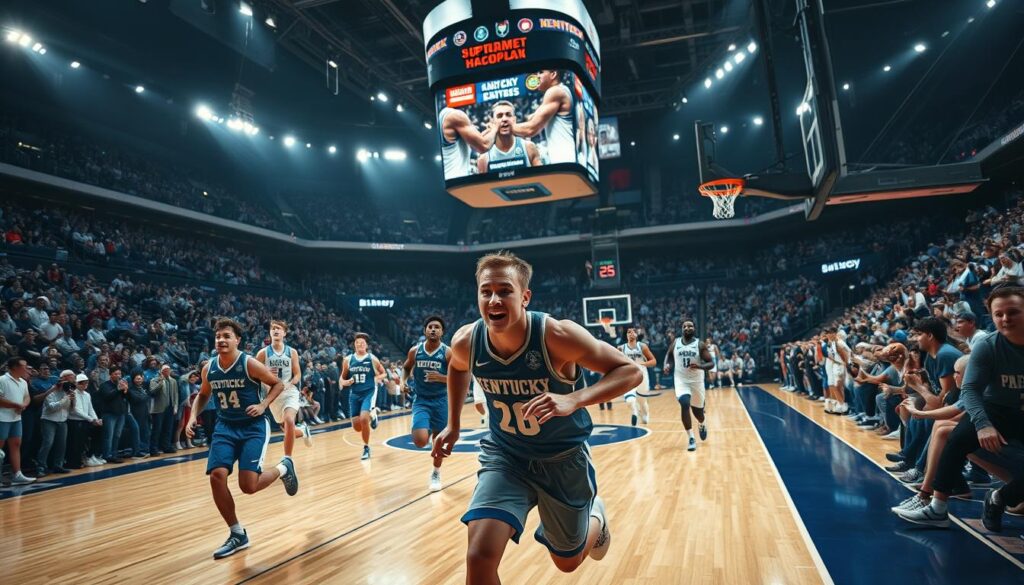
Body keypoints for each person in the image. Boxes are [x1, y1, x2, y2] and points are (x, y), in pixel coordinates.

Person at [433, 251, 641, 583]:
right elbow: (457, 367)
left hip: (562, 460)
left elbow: (630, 371)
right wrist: (453, 425)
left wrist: (573, 399)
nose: (494, 299)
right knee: (479, 556)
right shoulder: (467, 342)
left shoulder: (557, 336)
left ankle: (596, 518)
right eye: (486, 291)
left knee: (567, 563)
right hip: (507, 457)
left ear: (525, 296)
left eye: (505, 290)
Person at [897, 287, 1020, 528]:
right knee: (958, 435)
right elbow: (971, 390)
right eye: (999, 314)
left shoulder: (945, 354)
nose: (1005, 319)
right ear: (992, 316)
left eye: (1013, 312)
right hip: (998, 410)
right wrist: (983, 424)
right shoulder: (988, 345)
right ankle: (937, 508)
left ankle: (998, 497)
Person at [184, 318, 298, 559]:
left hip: (253, 427)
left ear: (237, 340)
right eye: (218, 337)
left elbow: (277, 384)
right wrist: (193, 416)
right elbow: (203, 395)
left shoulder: (249, 363)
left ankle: (284, 467)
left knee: (248, 486)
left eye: (226, 336)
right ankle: (237, 533)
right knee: (217, 476)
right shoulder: (209, 368)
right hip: (225, 427)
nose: (221, 340)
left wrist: (263, 404)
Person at [401, 315, 451, 491]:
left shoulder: (448, 352)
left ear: (442, 332)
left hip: (441, 401)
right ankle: (424, 428)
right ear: (424, 331)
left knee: (439, 444)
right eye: (430, 326)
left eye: (437, 327)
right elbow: (406, 368)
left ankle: (436, 472)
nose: (433, 329)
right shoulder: (415, 351)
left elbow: (460, 378)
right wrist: (403, 382)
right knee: (420, 441)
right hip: (421, 400)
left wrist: (442, 377)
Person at [255, 320, 312, 463]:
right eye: (273, 328)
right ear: (270, 332)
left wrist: (289, 384)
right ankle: (303, 431)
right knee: (287, 429)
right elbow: (254, 374)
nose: (275, 331)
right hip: (273, 395)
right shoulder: (262, 353)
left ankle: (288, 459)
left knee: (289, 420)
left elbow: (298, 374)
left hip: (289, 392)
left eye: (278, 328)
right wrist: (266, 373)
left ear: (284, 333)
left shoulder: (291, 352)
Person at [663, 319, 714, 451]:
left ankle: (702, 423)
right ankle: (691, 437)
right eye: (685, 326)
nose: (687, 328)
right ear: (682, 329)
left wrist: (700, 366)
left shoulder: (700, 344)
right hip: (681, 380)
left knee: (698, 413)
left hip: (696, 381)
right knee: (684, 403)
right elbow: (668, 355)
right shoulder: (676, 343)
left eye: (690, 326)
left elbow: (711, 363)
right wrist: (667, 365)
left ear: (694, 329)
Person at [340, 333, 386, 461]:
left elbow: (384, 373)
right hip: (354, 395)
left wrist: (377, 378)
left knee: (364, 419)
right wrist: (344, 382)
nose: (360, 344)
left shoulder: (372, 358)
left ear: (366, 345)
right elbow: (342, 378)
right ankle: (374, 414)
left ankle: (366, 448)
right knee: (357, 427)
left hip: (368, 392)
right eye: (357, 342)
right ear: (354, 345)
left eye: (362, 342)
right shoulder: (348, 360)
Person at [513, 70, 576, 164]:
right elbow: (531, 118)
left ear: (553, 74)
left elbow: (531, 129)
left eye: (541, 72)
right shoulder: (561, 90)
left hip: (564, 159)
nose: (537, 76)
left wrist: (504, 126)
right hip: (566, 160)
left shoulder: (555, 91)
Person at [477, 101, 541, 174]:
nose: (504, 119)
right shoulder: (484, 158)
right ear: (492, 122)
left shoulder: (529, 148)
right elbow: (483, 185)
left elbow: (542, 178)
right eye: (499, 116)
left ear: (514, 119)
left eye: (508, 115)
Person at [0, 357, 36, 484]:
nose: (26, 369)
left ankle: (17, 474)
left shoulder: (23, 382)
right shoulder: (2, 380)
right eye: (24, 366)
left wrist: (23, 405)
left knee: (16, 445)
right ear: (15, 367)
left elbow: (27, 397)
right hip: (2, 418)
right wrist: (16, 405)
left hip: (16, 418)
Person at [439, 105, 496, 179]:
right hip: (456, 178)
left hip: (449, 179)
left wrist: (490, 131)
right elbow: (484, 145)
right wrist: (495, 128)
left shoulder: (445, 115)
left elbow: (475, 143)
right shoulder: (455, 115)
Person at [619, 327, 656, 426]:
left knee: (642, 402)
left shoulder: (642, 346)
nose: (631, 333)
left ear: (637, 334)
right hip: (628, 377)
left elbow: (653, 361)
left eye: (633, 331)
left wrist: (642, 364)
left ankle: (643, 413)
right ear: (626, 335)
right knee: (629, 400)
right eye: (628, 331)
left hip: (642, 376)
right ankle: (634, 412)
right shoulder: (621, 348)